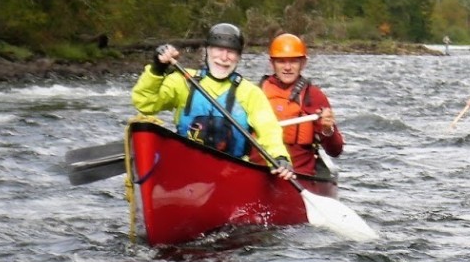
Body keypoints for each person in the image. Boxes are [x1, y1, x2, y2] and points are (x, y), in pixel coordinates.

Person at [132, 23, 295, 183]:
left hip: (231, 175)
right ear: (206, 51)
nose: (224, 57)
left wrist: (279, 157)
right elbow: (145, 104)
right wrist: (157, 69)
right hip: (186, 171)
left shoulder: (250, 92)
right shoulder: (184, 81)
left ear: (238, 57)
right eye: (218, 49)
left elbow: (269, 130)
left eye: (231, 52)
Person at [259, 33, 344, 177]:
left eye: (293, 61)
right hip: (260, 170)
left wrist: (327, 130)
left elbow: (335, 151)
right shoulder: (257, 92)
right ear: (271, 63)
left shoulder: (314, 96)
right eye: (281, 61)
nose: (287, 67)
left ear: (303, 63)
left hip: (299, 175)